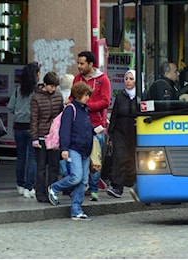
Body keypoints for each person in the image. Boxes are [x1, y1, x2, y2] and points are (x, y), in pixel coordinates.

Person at [48, 82, 103, 220]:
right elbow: (65, 130)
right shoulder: (70, 109)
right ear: (79, 95)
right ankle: (54, 188)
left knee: (83, 181)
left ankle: (76, 210)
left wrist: (94, 130)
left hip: (84, 150)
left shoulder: (84, 109)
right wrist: (64, 149)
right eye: (86, 95)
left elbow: (85, 128)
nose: (87, 98)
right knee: (76, 177)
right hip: (75, 148)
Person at [73, 51, 111, 201]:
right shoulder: (77, 79)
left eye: (82, 63)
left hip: (97, 126)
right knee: (79, 158)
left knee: (95, 159)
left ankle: (94, 189)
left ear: (90, 64)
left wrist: (87, 106)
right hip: (79, 126)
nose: (79, 66)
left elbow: (106, 101)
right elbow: (72, 97)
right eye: (78, 63)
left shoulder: (103, 80)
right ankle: (81, 188)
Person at [30, 71, 64, 203]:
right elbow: (34, 119)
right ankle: (40, 193)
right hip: (42, 135)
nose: (53, 89)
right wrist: (34, 138)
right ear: (45, 84)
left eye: (55, 87)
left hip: (54, 136)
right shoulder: (36, 98)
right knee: (41, 166)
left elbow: (61, 115)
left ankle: (52, 191)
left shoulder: (58, 95)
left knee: (54, 166)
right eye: (51, 86)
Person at [7, 62, 40, 198]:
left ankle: (20, 184)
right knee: (33, 157)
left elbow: (10, 107)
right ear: (36, 75)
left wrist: (19, 112)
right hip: (32, 127)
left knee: (20, 156)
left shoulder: (18, 90)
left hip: (18, 127)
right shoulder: (37, 91)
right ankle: (29, 186)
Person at [106, 70, 137, 198]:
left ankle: (134, 185)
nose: (128, 81)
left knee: (133, 159)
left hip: (135, 132)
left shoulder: (141, 96)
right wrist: (111, 134)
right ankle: (117, 187)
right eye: (126, 79)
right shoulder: (120, 96)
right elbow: (114, 116)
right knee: (119, 157)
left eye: (131, 79)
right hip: (121, 131)